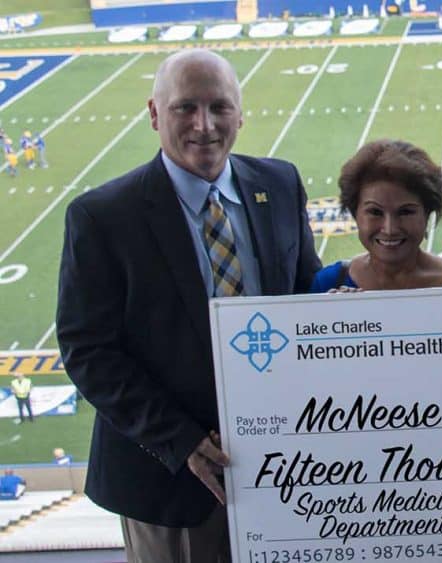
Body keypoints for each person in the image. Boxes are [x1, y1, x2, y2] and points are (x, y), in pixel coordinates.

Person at [56, 49, 320, 563]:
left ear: (241, 114)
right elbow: (88, 351)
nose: (204, 125)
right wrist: (183, 441)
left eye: (220, 107)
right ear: (155, 113)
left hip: (282, 466)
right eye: (185, 108)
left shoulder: (279, 184)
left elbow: (305, 295)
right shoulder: (104, 217)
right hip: (169, 480)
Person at [310, 140, 442, 292]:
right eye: (375, 212)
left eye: (405, 212)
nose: (390, 229)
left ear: (427, 214)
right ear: (356, 214)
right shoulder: (327, 285)